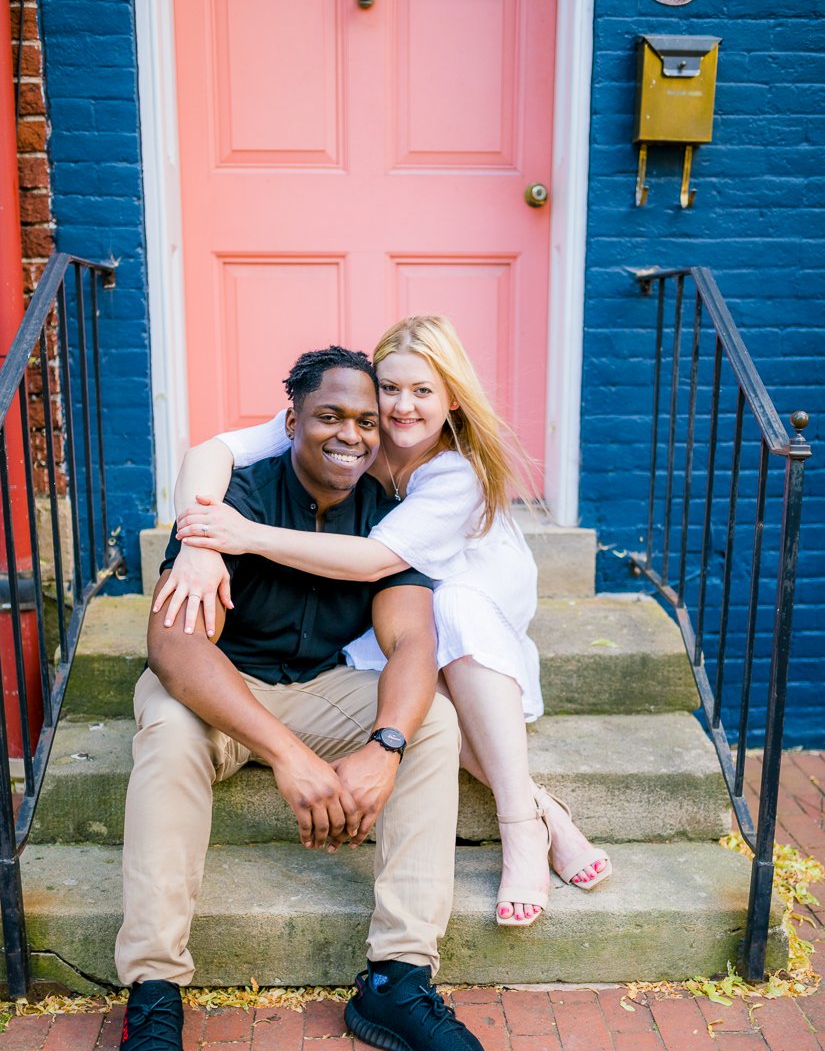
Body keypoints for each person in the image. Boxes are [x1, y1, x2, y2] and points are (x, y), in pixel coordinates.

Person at [111, 347, 497, 1051]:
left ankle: (398, 981)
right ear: (291, 420)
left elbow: (412, 645)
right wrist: (289, 758)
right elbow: (177, 647)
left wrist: (383, 747)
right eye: (329, 416)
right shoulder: (230, 500)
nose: (349, 433)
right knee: (166, 723)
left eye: (364, 419)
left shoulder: (388, 516)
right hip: (224, 686)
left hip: (321, 689)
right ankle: (153, 993)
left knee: (432, 722)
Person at [163, 316, 611, 928]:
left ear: (451, 399)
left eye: (422, 391)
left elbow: (378, 559)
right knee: (419, 690)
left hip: (469, 590)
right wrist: (200, 542)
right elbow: (209, 453)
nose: (400, 407)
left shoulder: (455, 473)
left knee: (445, 630)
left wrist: (245, 536)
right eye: (390, 389)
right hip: (390, 601)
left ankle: (525, 823)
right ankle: (546, 810)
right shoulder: (346, 424)